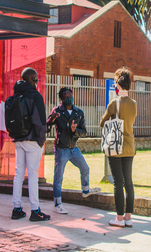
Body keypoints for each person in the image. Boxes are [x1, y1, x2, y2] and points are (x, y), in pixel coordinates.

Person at [46, 87, 101, 214]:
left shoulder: (78, 112)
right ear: (61, 99)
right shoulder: (57, 111)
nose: (69, 98)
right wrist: (52, 119)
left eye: (70, 96)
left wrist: (74, 131)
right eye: (66, 97)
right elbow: (46, 126)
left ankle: (86, 190)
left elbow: (84, 132)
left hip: (74, 149)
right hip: (61, 149)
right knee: (58, 177)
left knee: (85, 168)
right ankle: (57, 204)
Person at [10, 67, 50, 221]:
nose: (38, 81)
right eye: (36, 78)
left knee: (19, 173)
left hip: (19, 139)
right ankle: (35, 210)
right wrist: (41, 140)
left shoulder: (16, 94)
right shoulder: (35, 96)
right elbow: (39, 121)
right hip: (33, 140)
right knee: (33, 174)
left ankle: (17, 208)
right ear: (32, 79)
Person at [100, 68, 137, 228]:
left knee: (118, 182)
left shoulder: (114, 103)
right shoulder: (134, 104)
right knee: (128, 182)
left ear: (118, 85)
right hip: (129, 146)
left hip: (115, 146)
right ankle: (128, 217)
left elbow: (103, 122)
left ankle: (119, 218)